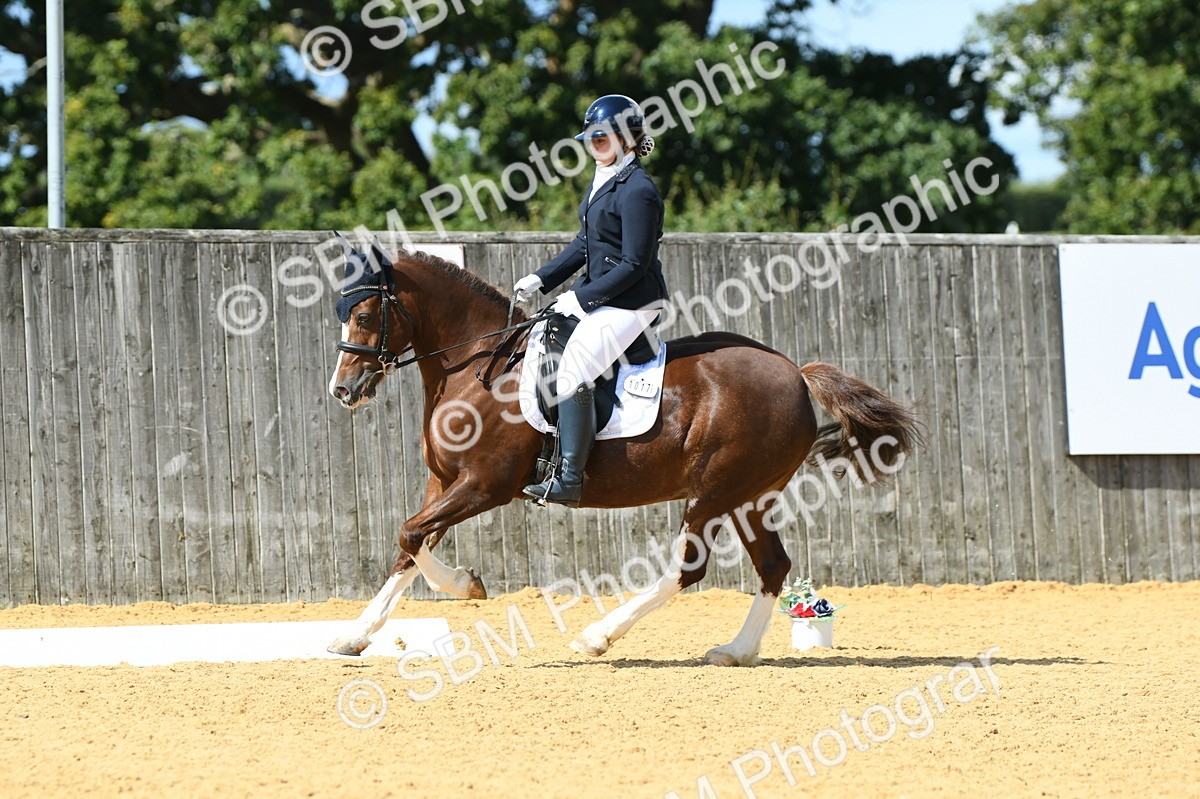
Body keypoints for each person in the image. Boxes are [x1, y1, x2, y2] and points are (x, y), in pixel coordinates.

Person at [514, 94, 667, 507]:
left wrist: (580, 299)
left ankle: (569, 478)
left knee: (574, 367)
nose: (594, 146)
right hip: (606, 296)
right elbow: (586, 243)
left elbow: (635, 262)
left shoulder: (639, 190)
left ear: (626, 138)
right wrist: (541, 278)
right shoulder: (605, 178)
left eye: (601, 138)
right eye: (591, 139)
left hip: (633, 301)